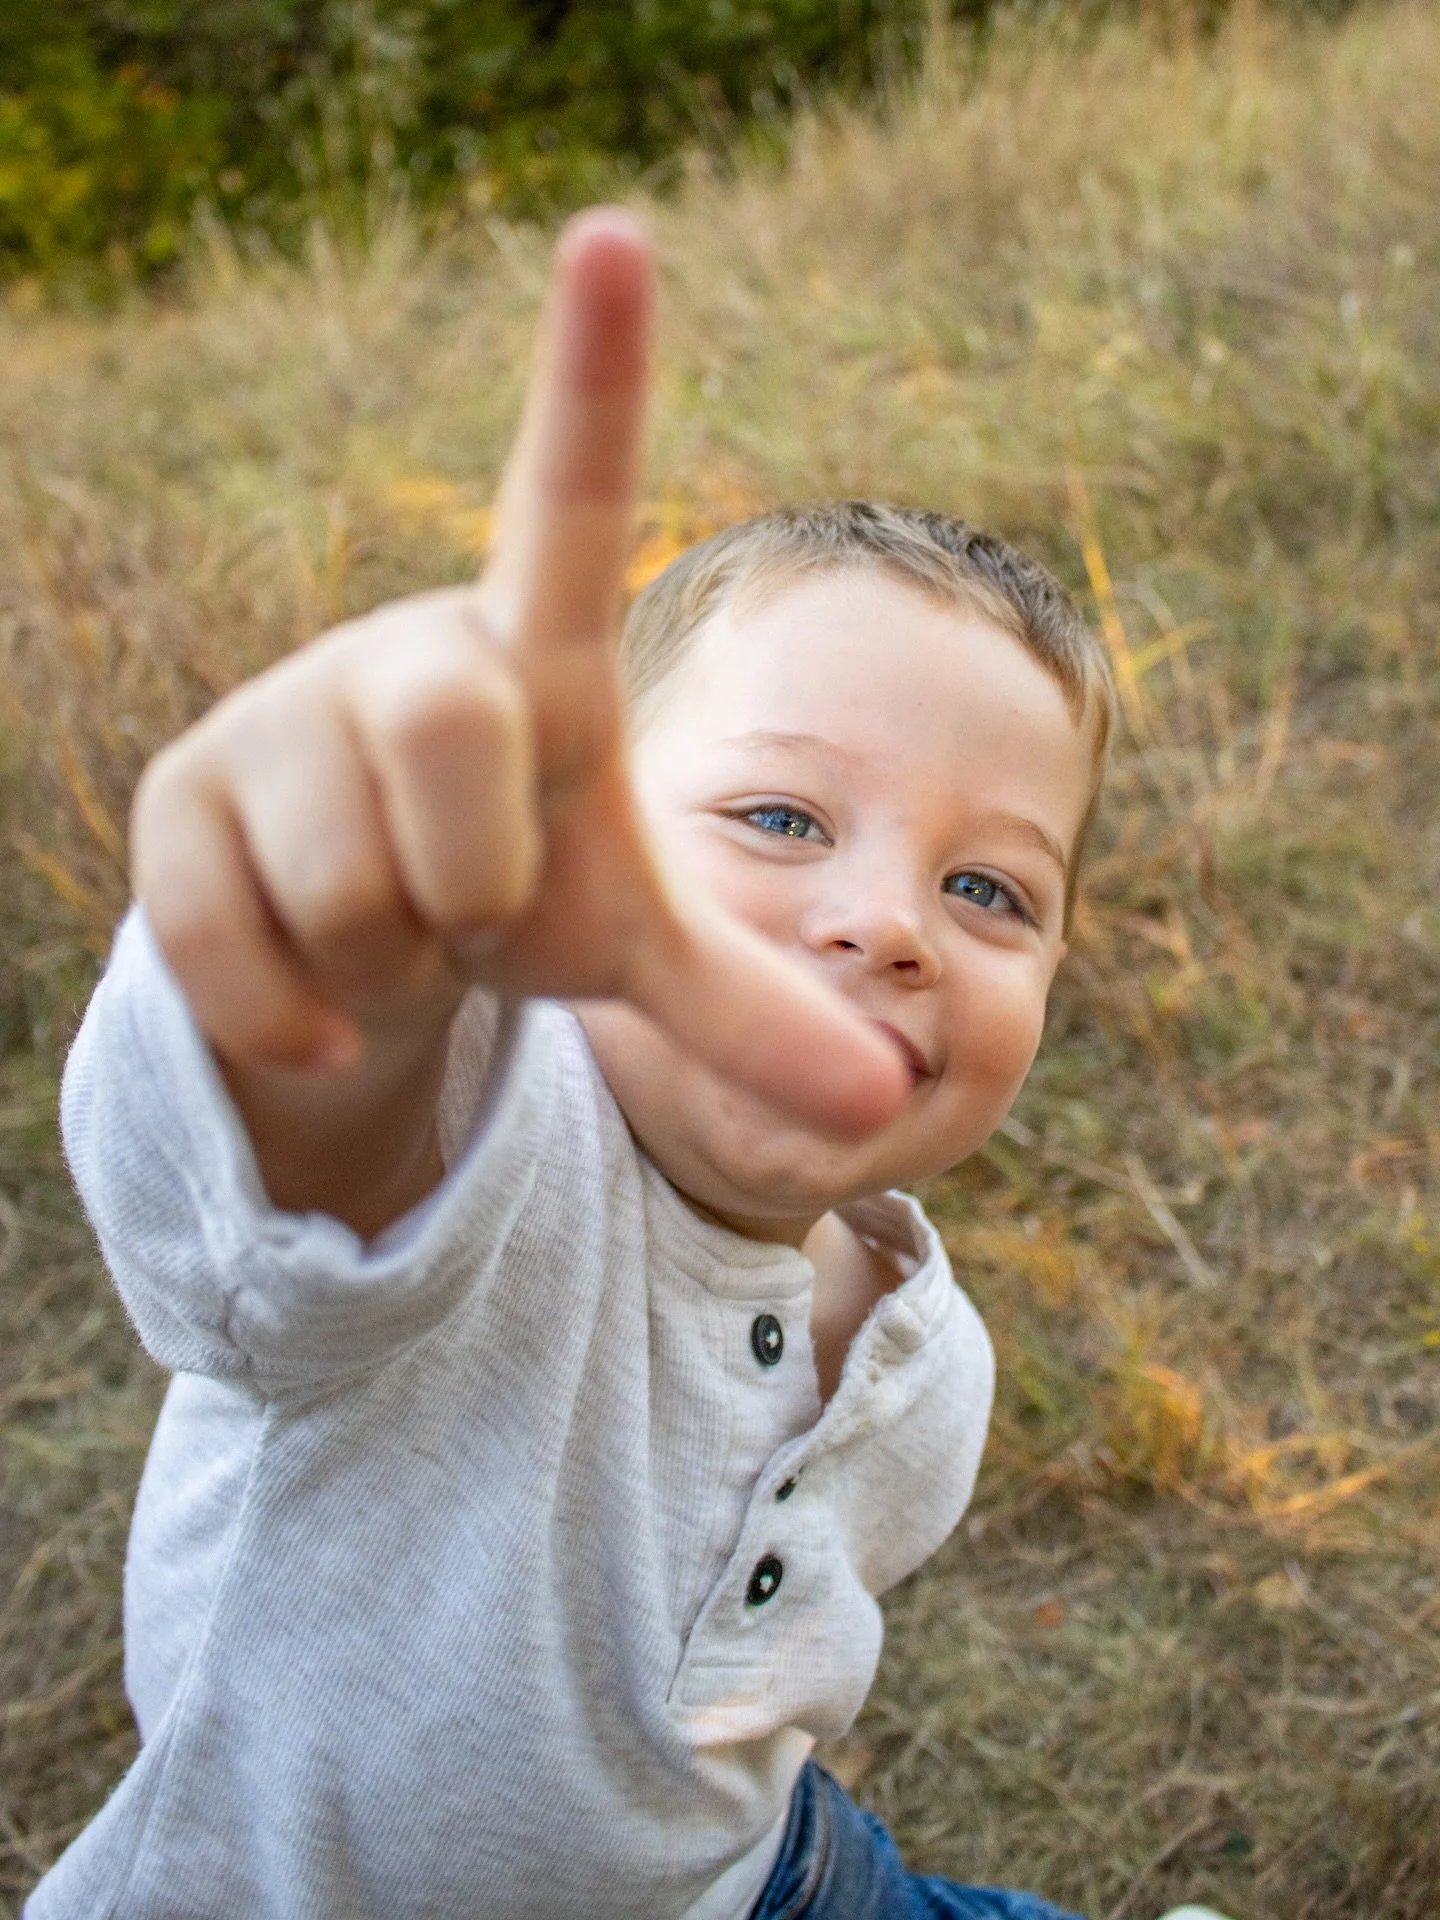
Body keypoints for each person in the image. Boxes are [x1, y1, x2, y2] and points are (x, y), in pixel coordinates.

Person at [24, 210, 1233, 1920]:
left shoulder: (917, 1358)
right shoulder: (474, 1149)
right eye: (777, 816)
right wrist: (332, 948)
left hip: (771, 1882)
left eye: (989, 889)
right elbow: (292, 1152)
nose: (889, 922)